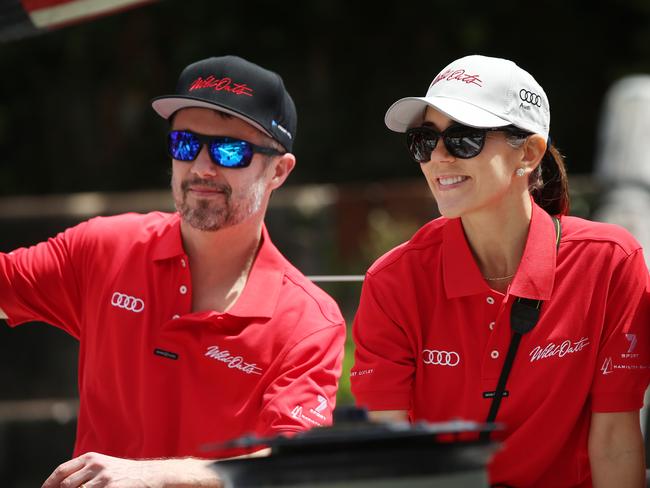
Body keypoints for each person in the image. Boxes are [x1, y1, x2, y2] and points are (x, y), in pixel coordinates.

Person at [0, 55, 346, 487]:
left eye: (229, 150)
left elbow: (294, 464)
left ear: (279, 170)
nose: (201, 166)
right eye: (185, 143)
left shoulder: (308, 321)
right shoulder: (104, 247)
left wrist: (153, 476)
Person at [350, 54, 650, 487]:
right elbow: (388, 451)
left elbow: (615, 439)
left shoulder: (611, 262)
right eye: (423, 139)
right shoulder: (393, 279)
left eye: (463, 139)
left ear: (528, 153)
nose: (437, 157)